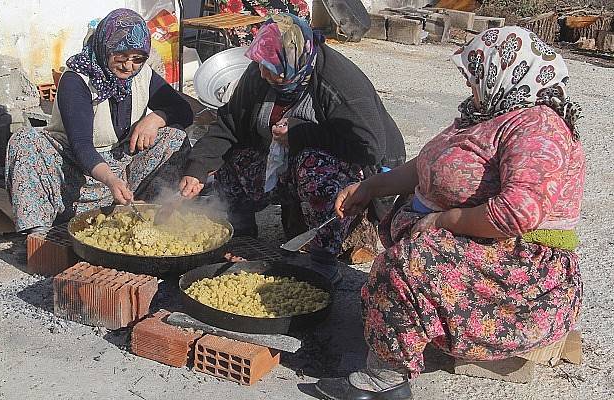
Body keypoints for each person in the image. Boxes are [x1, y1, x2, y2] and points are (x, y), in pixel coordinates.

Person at [314, 27, 584, 400]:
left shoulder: (537, 127)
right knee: (404, 266)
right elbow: (430, 165)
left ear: (506, 71)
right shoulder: (489, 111)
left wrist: (442, 221)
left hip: (523, 272)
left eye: (474, 74)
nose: (469, 83)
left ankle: (384, 382)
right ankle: (417, 321)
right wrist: (371, 187)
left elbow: (517, 214)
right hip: (487, 246)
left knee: (404, 268)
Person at [179, 13, 406, 284]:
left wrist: (300, 133)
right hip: (288, 156)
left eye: (272, 71)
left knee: (312, 165)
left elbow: (367, 146)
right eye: (261, 67)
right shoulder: (262, 67)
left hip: (352, 167)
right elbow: (230, 122)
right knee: (233, 161)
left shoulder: (339, 83)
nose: (262, 74)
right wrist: (198, 168)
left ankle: (323, 258)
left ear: (295, 62)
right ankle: (241, 231)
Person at [6, 8, 193, 232]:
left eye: (137, 59)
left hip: (122, 167)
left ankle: (151, 210)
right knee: (25, 142)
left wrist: (156, 118)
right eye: (121, 57)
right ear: (105, 48)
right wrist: (112, 181)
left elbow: (184, 111)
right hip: (76, 169)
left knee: (175, 137)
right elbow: (81, 145)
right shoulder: (76, 80)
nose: (128, 66)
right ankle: (39, 232)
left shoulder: (142, 75)